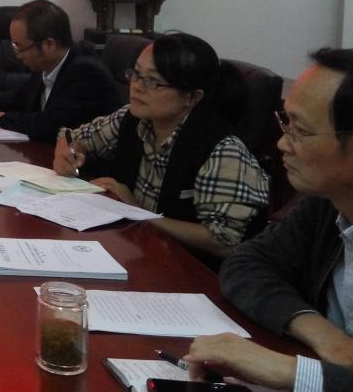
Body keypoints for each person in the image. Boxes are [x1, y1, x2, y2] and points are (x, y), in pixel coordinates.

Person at [183, 48, 353, 392]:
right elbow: (246, 264)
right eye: (284, 122)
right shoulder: (328, 204)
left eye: (299, 131)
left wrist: (291, 371)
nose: (283, 144)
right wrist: (322, 334)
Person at [53, 33, 270, 260]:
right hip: (135, 251)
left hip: (187, 270)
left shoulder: (223, 152)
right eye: (136, 74)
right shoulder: (133, 118)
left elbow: (223, 241)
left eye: (152, 82)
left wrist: (135, 211)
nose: (136, 86)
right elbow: (72, 138)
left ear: (192, 97)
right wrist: (67, 154)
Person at [0, 0, 118, 144]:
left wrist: (1, 118)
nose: (17, 55)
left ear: (48, 45)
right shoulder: (47, 64)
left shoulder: (86, 73)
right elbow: (20, 97)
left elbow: (51, 126)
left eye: (20, 47)